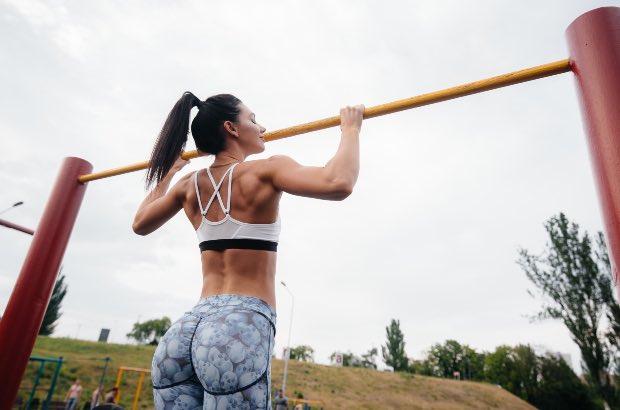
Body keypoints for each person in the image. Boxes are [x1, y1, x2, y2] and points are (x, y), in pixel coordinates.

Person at [133, 92, 363, 410]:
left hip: (184, 332)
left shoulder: (188, 184)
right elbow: (339, 182)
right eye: (253, 120)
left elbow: (140, 223)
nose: (263, 127)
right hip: (238, 328)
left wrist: (168, 173)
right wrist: (350, 129)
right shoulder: (264, 170)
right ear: (231, 128)